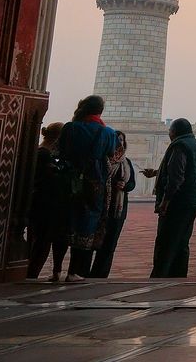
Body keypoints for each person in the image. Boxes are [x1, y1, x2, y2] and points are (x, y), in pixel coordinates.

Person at [57, 95, 117, 281]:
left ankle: (56, 270)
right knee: (87, 224)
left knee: (64, 223)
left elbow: (60, 151)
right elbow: (111, 154)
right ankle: (75, 271)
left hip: (68, 181)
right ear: (100, 111)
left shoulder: (70, 128)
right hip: (94, 184)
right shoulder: (107, 133)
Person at [143, 118, 196, 278]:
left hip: (178, 203)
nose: (169, 134)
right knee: (181, 243)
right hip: (192, 201)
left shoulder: (179, 146)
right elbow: (186, 170)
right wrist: (157, 172)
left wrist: (165, 202)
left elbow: (176, 176)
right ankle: (178, 278)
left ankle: (160, 278)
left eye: (170, 130)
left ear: (175, 131)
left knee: (166, 243)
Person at [89, 131, 136, 278]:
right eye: (117, 140)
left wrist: (125, 186)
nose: (120, 143)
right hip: (101, 207)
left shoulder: (126, 163)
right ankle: (83, 272)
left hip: (117, 209)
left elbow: (132, 183)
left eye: (122, 140)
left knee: (109, 245)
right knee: (92, 242)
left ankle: (100, 275)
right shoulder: (103, 160)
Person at [26, 122, 68, 281]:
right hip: (46, 204)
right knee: (42, 243)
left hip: (40, 203)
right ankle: (31, 275)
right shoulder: (44, 154)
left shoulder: (41, 151)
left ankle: (32, 274)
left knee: (39, 242)